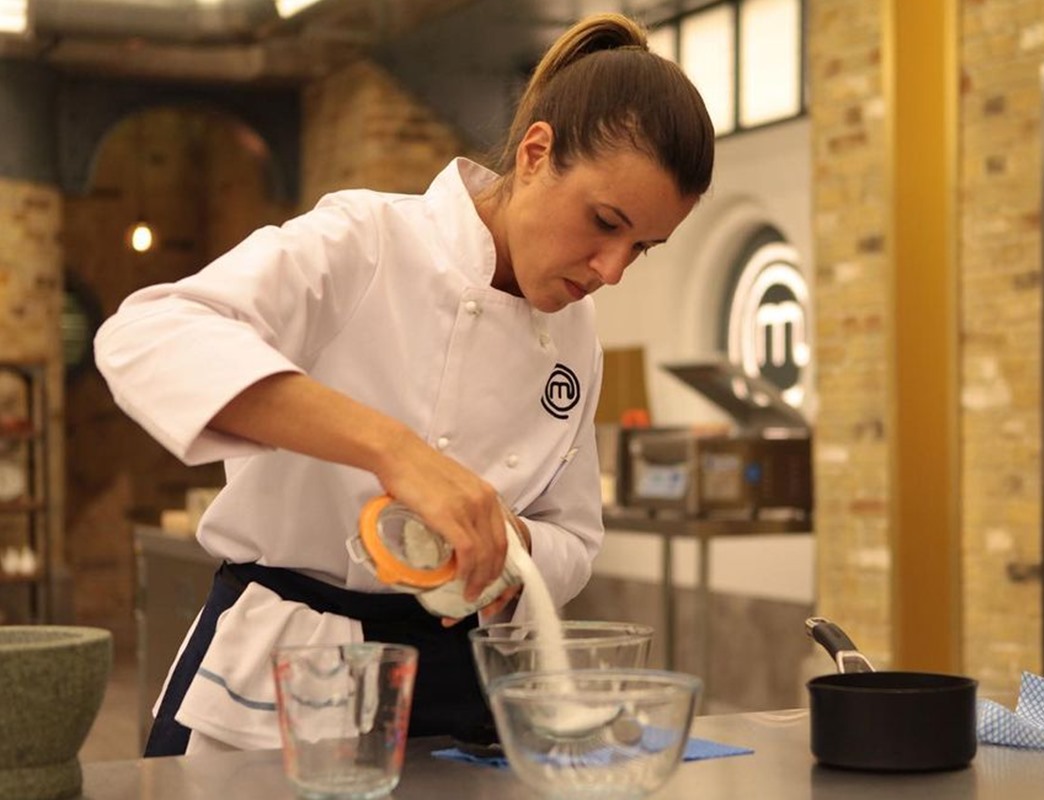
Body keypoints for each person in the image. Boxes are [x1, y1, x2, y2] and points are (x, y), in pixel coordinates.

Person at [95, 11, 714, 757]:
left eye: (640, 248)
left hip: (462, 685)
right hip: (293, 672)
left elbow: (574, 538)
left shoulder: (575, 338)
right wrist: (397, 453)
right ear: (536, 152)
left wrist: (507, 540)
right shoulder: (366, 243)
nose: (610, 270)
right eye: (604, 222)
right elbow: (149, 333)